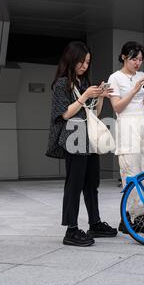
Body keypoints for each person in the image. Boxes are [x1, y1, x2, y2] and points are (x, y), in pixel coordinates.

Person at [46, 41, 117, 247]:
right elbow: (65, 114)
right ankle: (71, 230)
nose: (85, 66)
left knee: (92, 183)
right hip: (73, 138)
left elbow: (94, 113)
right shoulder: (61, 84)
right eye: (82, 62)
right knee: (74, 184)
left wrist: (101, 97)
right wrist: (85, 95)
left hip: (88, 138)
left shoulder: (83, 81)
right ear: (71, 59)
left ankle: (94, 223)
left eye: (87, 62)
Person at [107, 41, 144, 232]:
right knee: (130, 170)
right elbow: (117, 107)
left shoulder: (142, 76)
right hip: (127, 123)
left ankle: (139, 215)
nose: (137, 63)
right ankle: (131, 217)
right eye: (134, 59)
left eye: (140, 59)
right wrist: (135, 90)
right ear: (123, 57)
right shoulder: (115, 78)